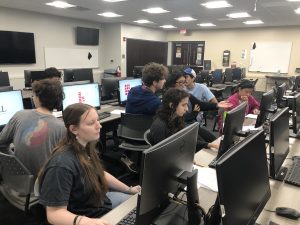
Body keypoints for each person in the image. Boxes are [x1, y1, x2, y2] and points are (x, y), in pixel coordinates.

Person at [38, 103, 140, 225]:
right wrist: (82, 221)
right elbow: (54, 214)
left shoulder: (85, 146)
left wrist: (129, 189)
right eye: (92, 123)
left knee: (139, 206)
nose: (100, 126)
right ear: (74, 129)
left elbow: (100, 173)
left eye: (98, 120)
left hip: (99, 202)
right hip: (86, 216)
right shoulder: (61, 165)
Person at [0, 79, 66, 177]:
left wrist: (14, 161)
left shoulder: (19, 115)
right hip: (45, 183)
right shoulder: (62, 128)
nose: (32, 97)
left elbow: (1, 144)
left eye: (34, 95)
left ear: (38, 98)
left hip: (18, 177)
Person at [164, 72, 231, 150]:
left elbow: (200, 104)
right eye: (181, 82)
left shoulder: (185, 94)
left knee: (215, 141)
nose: (184, 84)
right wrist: (194, 113)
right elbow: (183, 118)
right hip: (184, 128)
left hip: (192, 125)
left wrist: (217, 105)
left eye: (184, 82)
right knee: (206, 146)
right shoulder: (170, 100)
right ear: (172, 83)